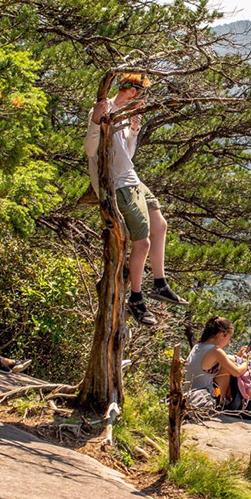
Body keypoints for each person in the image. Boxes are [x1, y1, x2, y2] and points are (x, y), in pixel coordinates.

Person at [84, 72, 187, 327]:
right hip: (118, 183)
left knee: (160, 224)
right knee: (142, 242)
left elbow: (127, 154)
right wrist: (97, 122)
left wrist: (134, 130)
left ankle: (160, 283)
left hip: (131, 178)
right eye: (141, 93)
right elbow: (89, 150)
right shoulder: (104, 108)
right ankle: (137, 298)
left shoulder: (125, 113)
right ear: (131, 91)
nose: (142, 99)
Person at [184, 317, 249, 411]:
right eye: (229, 338)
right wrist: (246, 362)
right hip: (203, 398)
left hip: (190, 395)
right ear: (221, 335)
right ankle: (223, 402)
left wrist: (238, 357)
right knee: (228, 367)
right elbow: (237, 372)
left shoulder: (199, 346)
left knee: (229, 362)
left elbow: (228, 358)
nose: (228, 342)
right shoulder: (216, 351)